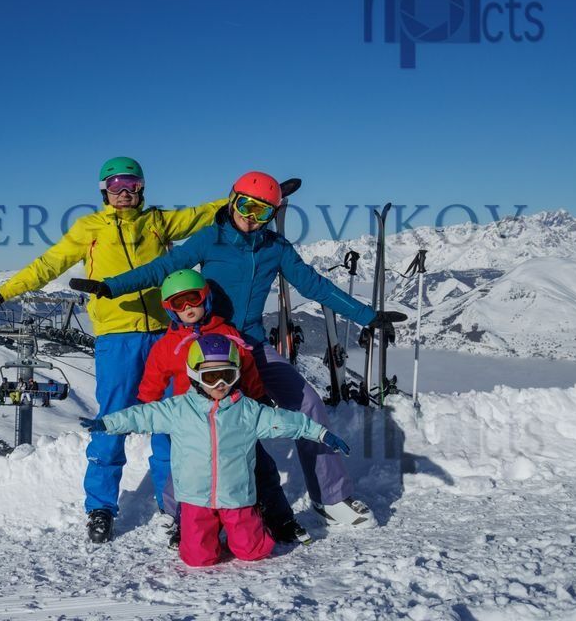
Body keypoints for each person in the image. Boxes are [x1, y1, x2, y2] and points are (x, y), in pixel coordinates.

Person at [71, 171, 405, 527]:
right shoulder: (208, 240)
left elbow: (315, 286)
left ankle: (331, 496)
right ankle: (180, 510)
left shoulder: (276, 248)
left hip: (253, 344)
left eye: (261, 212)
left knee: (308, 402)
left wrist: (368, 316)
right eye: (245, 206)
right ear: (231, 200)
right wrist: (111, 287)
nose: (250, 217)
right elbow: (161, 269)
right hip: (208, 347)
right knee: (197, 423)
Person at [0, 157, 227, 544]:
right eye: (116, 184)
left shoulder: (158, 221)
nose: (125, 192)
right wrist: (0, 294)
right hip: (117, 339)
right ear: (103, 190)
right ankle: (101, 507)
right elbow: (46, 265)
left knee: (171, 425)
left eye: (132, 184)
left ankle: (177, 509)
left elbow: (204, 213)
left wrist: (249, 197)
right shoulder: (88, 228)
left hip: (167, 335)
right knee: (113, 421)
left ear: (143, 188)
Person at [80, 335, 350, 567]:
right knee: (197, 559)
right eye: (211, 376)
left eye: (227, 375)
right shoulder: (178, 410)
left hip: (238, 498)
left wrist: (321, 433)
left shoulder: (247, 410)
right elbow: (141, 416)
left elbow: (288, 422)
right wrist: (108, 422)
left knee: (254, 552)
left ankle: (255, 523)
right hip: (196, 500)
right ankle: (209, 531)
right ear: (195, 375)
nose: (220, 383)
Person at [142, 269, 310, 547]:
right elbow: (152, 381)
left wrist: (258, 398)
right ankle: (186, 525)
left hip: (234, 419)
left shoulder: (228, 334)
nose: (187, 308)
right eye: (178, 304)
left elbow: (248, 366)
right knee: (187, 476)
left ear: (205, 299)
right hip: (194, 426)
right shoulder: (167, 346)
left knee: (259, 466)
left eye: (192, 299)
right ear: (169, 309)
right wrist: (148, 411)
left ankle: (280, 519)